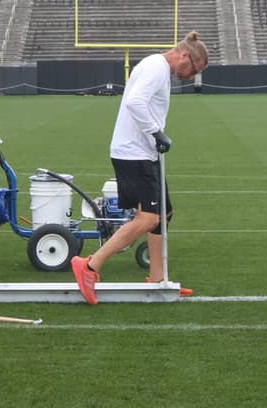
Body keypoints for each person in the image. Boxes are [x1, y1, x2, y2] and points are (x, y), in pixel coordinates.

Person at [72, 32, 208, 305]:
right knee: (147, 218)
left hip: (145, 154)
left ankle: (158, 278)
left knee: (163, 214)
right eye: (193, 69)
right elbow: (134, 101)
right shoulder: (157, 68)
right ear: (184, 56)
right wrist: (156, 133)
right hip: (134, 154)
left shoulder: (157, 68)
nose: (191, 76)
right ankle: (89, 266)